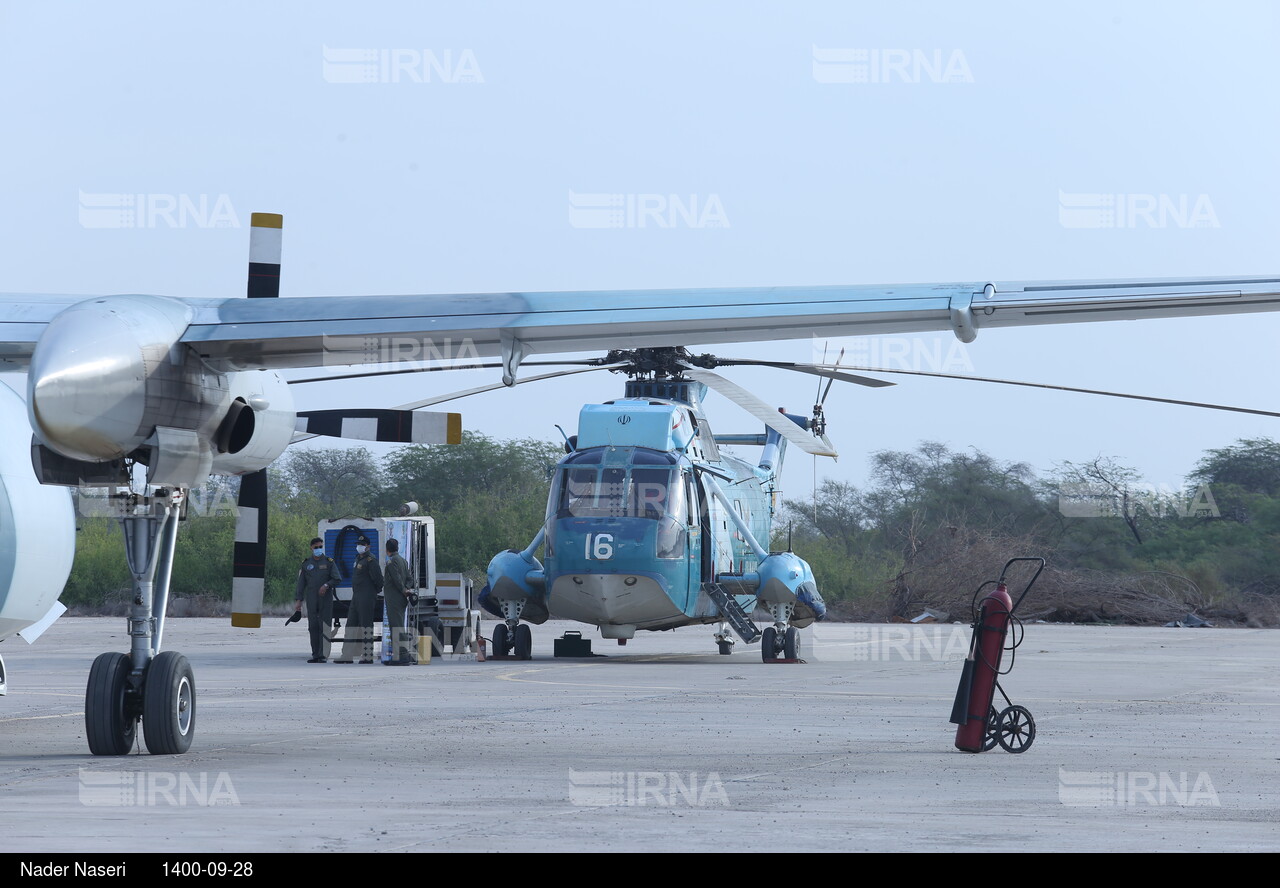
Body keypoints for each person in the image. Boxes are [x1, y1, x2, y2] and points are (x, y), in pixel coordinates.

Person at [336, 535, 383, 664]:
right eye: (358, 544)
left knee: (366, 626)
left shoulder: (371, 560)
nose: (359, 546)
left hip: (366, 597)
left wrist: (372, 592)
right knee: (350, 625)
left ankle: (367, 655)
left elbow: (379, 580)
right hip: (356, 597)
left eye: (362, 544)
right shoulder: (358, 558)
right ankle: (347, 655)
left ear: (368, 546)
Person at [294, 537, 341, 663]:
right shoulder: (306, 564)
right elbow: (301, 584)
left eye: (320, 547)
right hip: (312, 599)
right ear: (311, 548)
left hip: (325, 599)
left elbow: (337, 578)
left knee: (324, 626)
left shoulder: (329, 562)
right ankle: (315, 654)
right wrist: (299, 600)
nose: (319, 549)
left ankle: (323, 655)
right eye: (316, 547)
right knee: (313, 626)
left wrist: (326, 585)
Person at [383, 537, 414, 665]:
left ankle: (401, 655)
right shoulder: (403, 560)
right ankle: (403, 653)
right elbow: (410, 578)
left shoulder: (391, 562)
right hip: (401, 599)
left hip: (394, 598)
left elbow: (396, 578)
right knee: (400, 625)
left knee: (396, 627)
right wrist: (407, 589)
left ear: (387, 549)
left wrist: (402, 589)